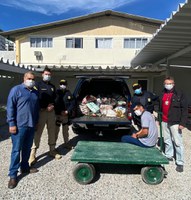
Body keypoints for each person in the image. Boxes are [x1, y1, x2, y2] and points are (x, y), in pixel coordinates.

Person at [7, 71, 39, 189]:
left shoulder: (35, 92)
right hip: (19, 126)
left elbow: (35, 109)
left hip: (30, 126)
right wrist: (11, 123)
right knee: (16, 150)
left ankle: (25, 168)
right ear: (24, 78)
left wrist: (36, 122)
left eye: (33, 79)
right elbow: (10, 107)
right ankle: (13, 175)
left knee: (27, 148)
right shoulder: (16, 90)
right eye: (29, 78)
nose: (31, 80)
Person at [29, 67, 61, 166]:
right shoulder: (37, 85)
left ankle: (52, 150)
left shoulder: (52, 86)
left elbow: (56, 99)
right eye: (46, 74)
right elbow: (35, 98)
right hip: (42, 112)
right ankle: (33, 154)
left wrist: (53, 106)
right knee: (38, 132)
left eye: (49, 74)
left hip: (51, 112)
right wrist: (44, 107)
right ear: (42, 74)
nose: (48, 76)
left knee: (52, 131)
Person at [160, 76, 187, 172]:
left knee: (178, 142)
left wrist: (183, 123)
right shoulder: (163, 93)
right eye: (166, 83)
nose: (168, 85)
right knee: (167, 139)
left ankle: (180, 162)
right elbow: (160, 105)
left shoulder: (179, 93)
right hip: (164, 120)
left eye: (170, 83)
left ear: (173, 84)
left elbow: (184, 109)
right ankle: (169, 155)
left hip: (175, 122)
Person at [55, 79, 75, 149]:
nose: (62, 85)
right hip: (58, 115)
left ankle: (66, 143)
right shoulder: (56, 92)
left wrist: (67, 111)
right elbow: (55, 103)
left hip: (65, 115)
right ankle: (53, 146)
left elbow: (72, 103)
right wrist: (60, 111)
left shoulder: (68, 93)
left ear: (66, 85)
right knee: (55, 131)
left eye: (64, 84)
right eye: (61, 84)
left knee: (65, 130)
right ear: (59, 84)